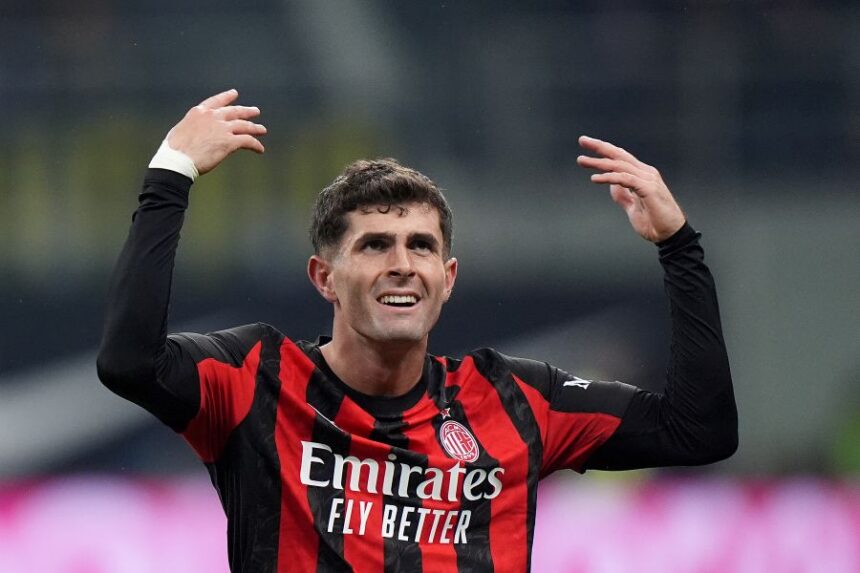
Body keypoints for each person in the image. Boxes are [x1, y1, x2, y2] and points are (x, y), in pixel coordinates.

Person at [97, 89, 737, 572]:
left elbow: (698, 430)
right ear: (324, 277)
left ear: (448, 276)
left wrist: (679, 248)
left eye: (420, 246)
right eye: (375, 245)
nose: (402, 264)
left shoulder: (517, 401)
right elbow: (130, 363)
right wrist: (170, 175)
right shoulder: (255, 381)